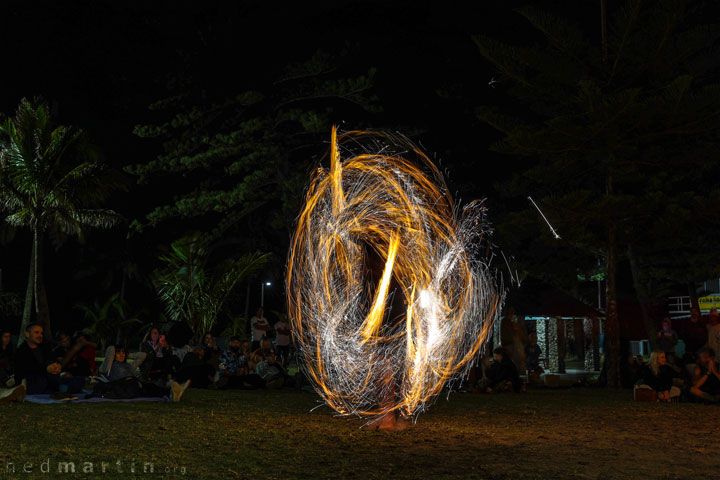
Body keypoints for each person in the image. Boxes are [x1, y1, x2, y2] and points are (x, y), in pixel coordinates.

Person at [91, 346, 189, 402]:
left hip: (134, 384)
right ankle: (172, 392)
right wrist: (116, 353)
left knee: (150, 386)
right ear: (113, 355)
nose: (122, 355)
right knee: (146, 388)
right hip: (122, 386)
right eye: (118, 353)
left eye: (123, 353)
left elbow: (143, 355)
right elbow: (111, 349)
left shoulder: (129, 365)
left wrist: (127, 354)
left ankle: (172, 392)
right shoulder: (108, 366)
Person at [13, 323, 84, 395]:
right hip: (32, 381)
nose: (40, 335)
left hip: (50, 378)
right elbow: (26, 370)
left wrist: (57, 367)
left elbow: (53, 360)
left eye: (41, 333)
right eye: (36, 333)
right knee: (44, 381)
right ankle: (61, 389)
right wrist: (46, 369)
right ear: (27, 334)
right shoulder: (21, 351)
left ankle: (60, 389)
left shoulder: (44, 347)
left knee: (79, 380)